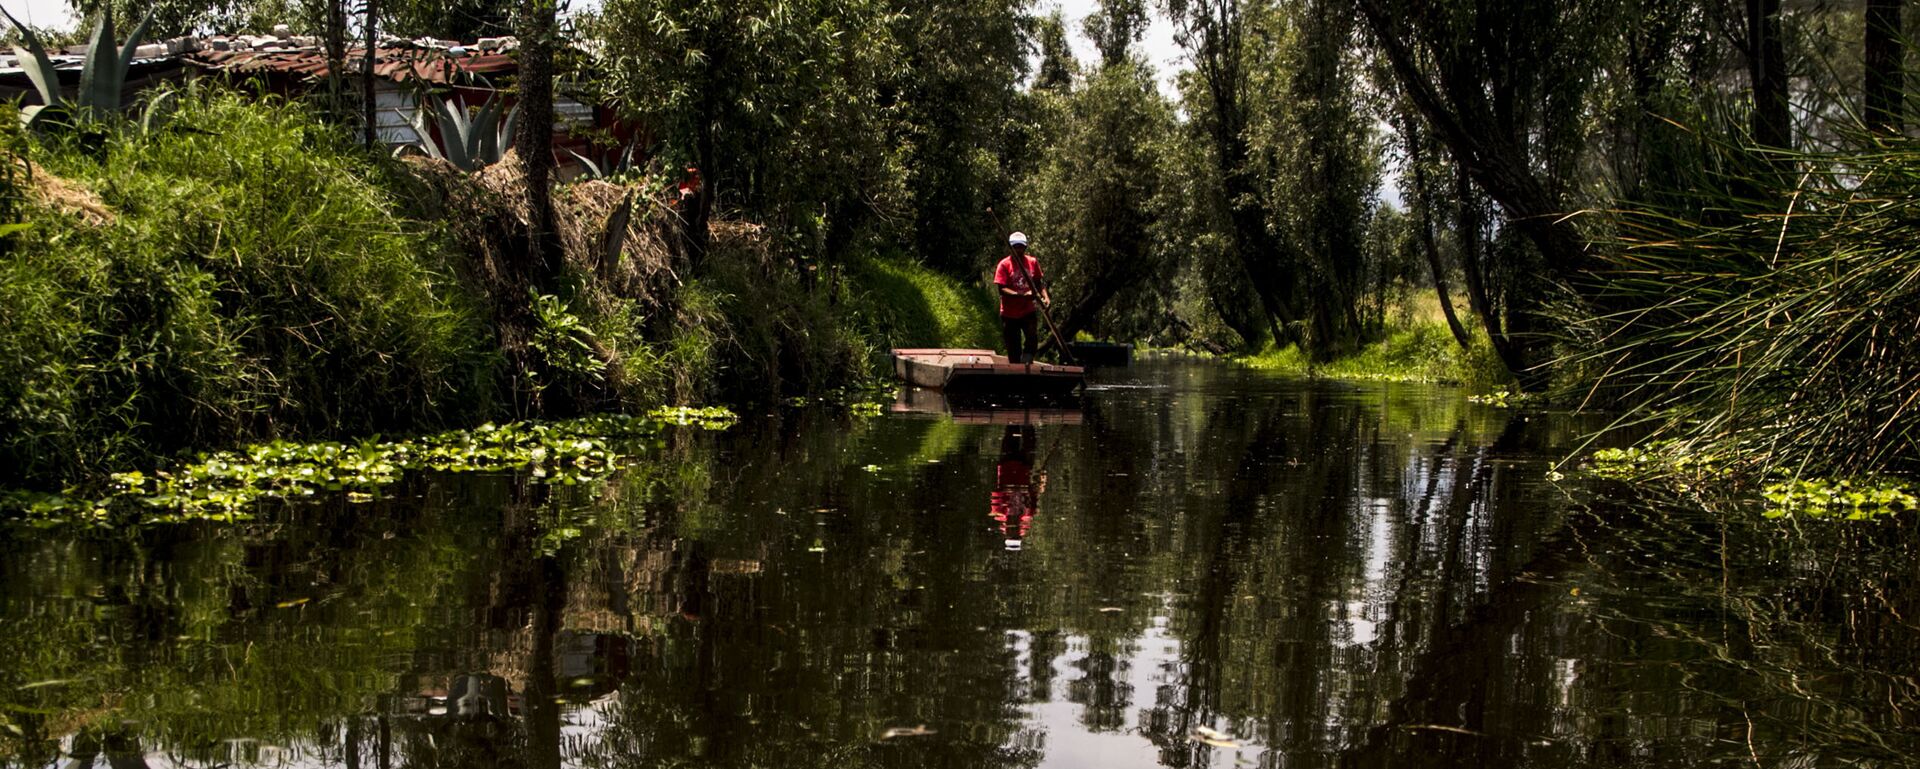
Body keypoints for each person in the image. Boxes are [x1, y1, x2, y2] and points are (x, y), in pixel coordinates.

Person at [994, 232, 1051, 364]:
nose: (1019, 250)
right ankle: (1016, 369)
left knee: (1032, 338)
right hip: (1009, 313)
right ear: (1011, 248)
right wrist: (1021, 295)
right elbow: (1001, 290)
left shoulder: (1032, 262)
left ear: (1025, 247)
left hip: (1028, 311)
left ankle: (1027, 361)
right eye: (1016, 247)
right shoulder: (1004, 265)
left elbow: (1039, 282)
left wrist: (1045, 297)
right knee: (1013, 349)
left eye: (1021, 247)